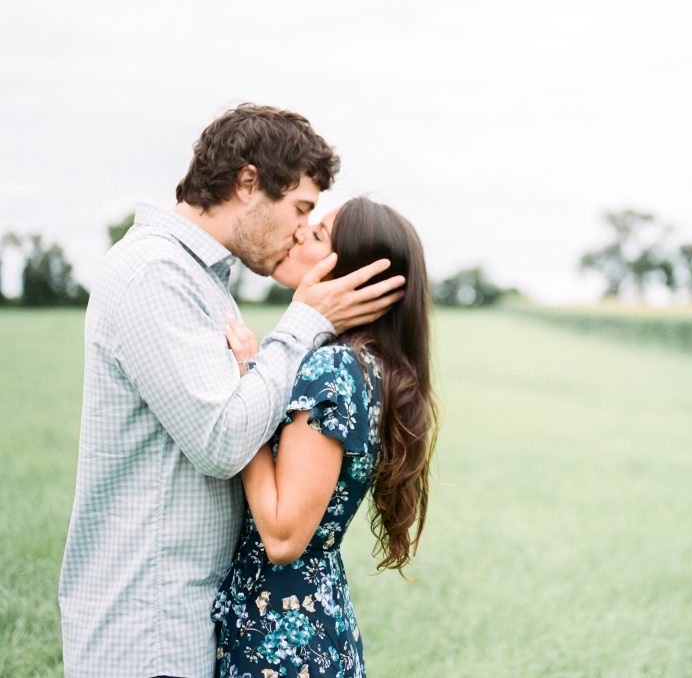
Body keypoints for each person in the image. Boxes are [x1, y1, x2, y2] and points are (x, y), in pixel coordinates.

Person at [59, 104, 405, 678]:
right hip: (146, 632)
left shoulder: (201, 280)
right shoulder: (156, 274)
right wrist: (302, 323)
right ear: (248, 183)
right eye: (300, 208)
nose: (301, 231)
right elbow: (222, 440)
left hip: (181, 623)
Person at [212, 196, 438, 678]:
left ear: (354, 273)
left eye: (316, 235)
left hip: (282, 638)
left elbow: (282, 535)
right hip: (310, 621)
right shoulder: (371, 364)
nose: (298, 233)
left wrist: (246, 384)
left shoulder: (332, 368)